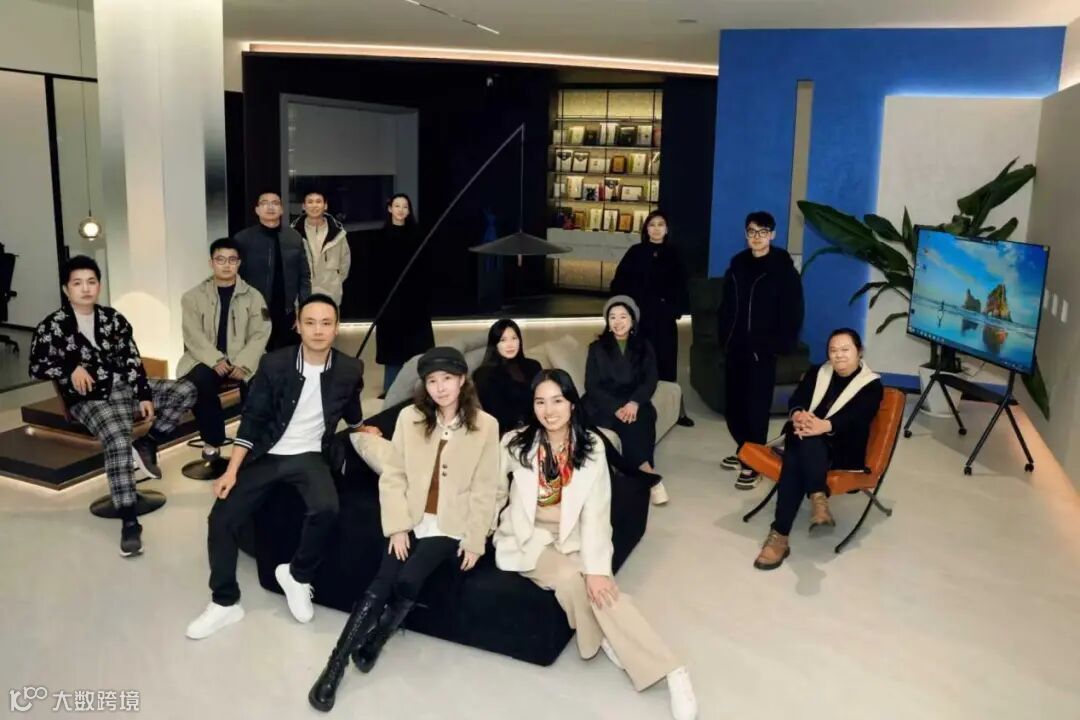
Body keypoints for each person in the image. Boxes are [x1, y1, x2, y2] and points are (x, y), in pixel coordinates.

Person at [494, 370, 698, 720]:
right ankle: (645, 655)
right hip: (528, 538)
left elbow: (597, 513)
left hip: (571, 535)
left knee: (598, 585)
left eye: (557, 400)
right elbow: (493, 491)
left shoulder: (591, 447)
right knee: (572, 578)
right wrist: (475, 536)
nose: (549, 410)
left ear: (572, 404)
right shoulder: (515, 442)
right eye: (540, 402)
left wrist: (598, 569)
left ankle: (672, 671)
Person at [308, 347, 499, 712]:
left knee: (409, 579)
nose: (440, 388)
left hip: (450, 525)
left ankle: (378, 638)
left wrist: (476, 539)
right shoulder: (410, 418)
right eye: (432, 381)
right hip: (410, 518)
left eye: (447, 379)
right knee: (381, 583)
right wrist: (397, 527)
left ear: (462, 380)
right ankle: (334, 668)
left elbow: (486, 487)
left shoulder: (485, 425)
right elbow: (393, 476)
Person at [185, 294, 372, 640]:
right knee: (221, 519)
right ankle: (225, 603)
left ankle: (297, 576)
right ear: (297, 325)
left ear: (337, 327)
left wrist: (361, 428)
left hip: (311, 455)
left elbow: (350, 404)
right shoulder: (275, 364)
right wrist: (231, 471)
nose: (318, 330)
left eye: (326, 323)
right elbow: (252, 420)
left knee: (327, 508)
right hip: (267, 453)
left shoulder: (350, 368)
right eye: (310, 322)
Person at [29, 256, 198, 557]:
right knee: (118, 440)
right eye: (77, 283)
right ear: (66, 289)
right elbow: (36, 366)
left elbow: (132, 360)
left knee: (186, 390)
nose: (85, 289)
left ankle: (148, 443)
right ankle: (129, 520)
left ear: (99, 285)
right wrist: (69, 368)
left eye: (91, 282)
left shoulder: (113, 319)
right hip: (90, 399)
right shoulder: (52, 326)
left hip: (125, 390)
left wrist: (144, 394)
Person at [754, 328, 883, 571]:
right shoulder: (818, 372)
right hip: (807, 438)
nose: (838, 355)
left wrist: (825, 425)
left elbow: (859, 416)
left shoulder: (871, 385)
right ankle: (818, 498)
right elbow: (798, 399)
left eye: (845, 349)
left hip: (842, 449)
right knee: (804, 437)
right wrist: (799, 415)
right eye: (833, 350)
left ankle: (779, 536)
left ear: (859, 352)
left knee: (796, 455)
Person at [717, 211, 804, 490]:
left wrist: (777, 345)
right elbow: (725, 307)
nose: (757, 237)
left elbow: (794, 312)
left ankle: (753, 463)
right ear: (746, 234)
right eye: (752, 232)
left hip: (762, 351)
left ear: (772, 235)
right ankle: (746, 450)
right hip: (735, 348)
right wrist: (724, 338)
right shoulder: (737, 265)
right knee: (734, 407)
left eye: (763, 232)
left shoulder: (783, 270)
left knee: (755, 408)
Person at [177, 238, 271, 477]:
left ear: (239, 263)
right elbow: (192, 335)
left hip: (244, 358)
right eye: (220, 259)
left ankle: (251, 444)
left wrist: (244, 363)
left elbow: (261, 333)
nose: (226, 265)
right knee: (198, 383)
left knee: (259, 384)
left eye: (232, 260)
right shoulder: (192, 297)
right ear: (211, 263)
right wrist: (216, 360)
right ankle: (213, 442)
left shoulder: (254, 297)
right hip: (205, 358)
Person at [610, 210, 694, 427]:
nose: (656, 229)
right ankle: (638, 407)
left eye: (660, 224)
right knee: (639, 363)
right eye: (652, 225)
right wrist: (627, 311)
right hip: (640, 318)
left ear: (667, 229)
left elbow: (684, 286)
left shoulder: (675, 254)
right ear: (646, 229)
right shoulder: (635, 252)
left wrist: (673, 309)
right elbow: (618, 283)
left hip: (664, 319)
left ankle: (676, 411)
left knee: (666, 364)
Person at [583, 296, 669, 506]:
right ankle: (650, 477)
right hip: (603, 403)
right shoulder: (596, 347)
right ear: (607, 322)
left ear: (632, 320)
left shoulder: (644, 346)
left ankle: (644, 475)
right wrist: (615, 408)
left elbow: (651, 379)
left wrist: (635, 402)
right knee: (625, 424)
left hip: (634, 399)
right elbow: (591, 385)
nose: (617, 321)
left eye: (623, 316)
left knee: (642, 421)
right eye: (612, 317)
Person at [371, 193, 434, 395]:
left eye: (405, 206)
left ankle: (422, 390)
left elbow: (426, 269)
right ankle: (392, 390)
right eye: (397, 206)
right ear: (390, 209)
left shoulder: (418, 236)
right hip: (390, 302)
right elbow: (374, 271)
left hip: (414, 301)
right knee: (393, 350)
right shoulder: (380, 237)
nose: (400, 210)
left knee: (418, 348)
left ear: (409, 211)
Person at [234, 191, 311, 350]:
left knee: (287, 357)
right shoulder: (243, 239)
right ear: (257, 210)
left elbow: (304, 277)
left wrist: (304, 311)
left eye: (275, 203)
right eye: (265, 203)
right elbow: (235, 278)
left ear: (282, 209)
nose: (270, 207)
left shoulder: (294, 237)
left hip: (287, 313)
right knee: (256, 358)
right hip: (254, 312)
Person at [472, 318, 543, 435]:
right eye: (503, 340)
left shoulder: (533, 366)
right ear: (495, 344)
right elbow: (496, 413)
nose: (510, 344)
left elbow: (542, 399)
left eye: (514, 338)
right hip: (506, 433)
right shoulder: (483, 374)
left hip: (539, 427)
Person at [291, 191, 352, 306]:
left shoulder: (338, 233)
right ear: (303, 206)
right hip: (303, 295)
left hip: (331, 294)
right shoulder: (293, 234)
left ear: (325, 205)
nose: (314, 205)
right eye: (310, 202)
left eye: (318, 201)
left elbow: (345, 263)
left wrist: (335, 281)